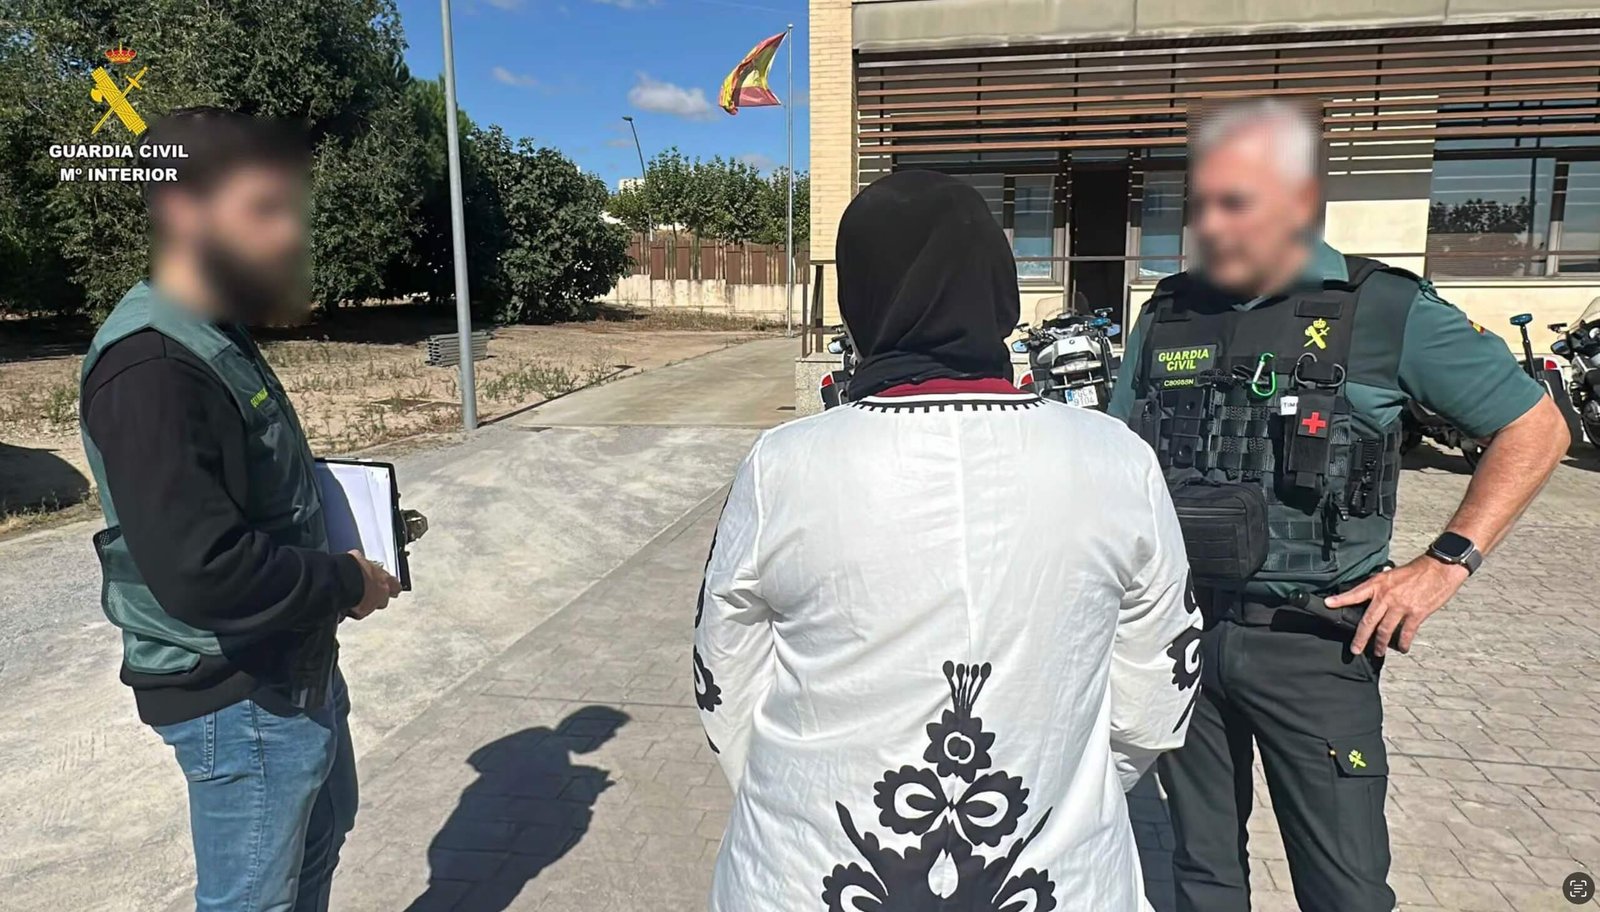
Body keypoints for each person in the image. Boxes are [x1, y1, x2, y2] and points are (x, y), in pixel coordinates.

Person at [694, 169, 1203, 912]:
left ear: (859, 303)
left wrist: (797, 792)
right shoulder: (1117, 460)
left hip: (808, 880)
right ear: (1000, 292)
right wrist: (1065, 776)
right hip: (1055, 882)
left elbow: (724, 678)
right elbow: (1159, 691)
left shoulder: (784, 466)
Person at [1107, 99, 1569, 912]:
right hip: (1181, 639)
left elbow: (1536, 428)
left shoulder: (1383, 309)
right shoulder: (1167, 313)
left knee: (1345, 890)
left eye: (1234, 202)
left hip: (1315, 645)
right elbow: (1118, 462)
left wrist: (1445, 563)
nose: (1207, 225)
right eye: (1198, 203)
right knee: (1201, 877)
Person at [78, 108, 401, 912]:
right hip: (236, 693)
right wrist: (343, 582)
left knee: (316, 850)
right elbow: (203, 569)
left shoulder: (212, 330)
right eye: (264, 209)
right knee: (253, 900)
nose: (290, 232)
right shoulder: (151, 364)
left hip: (288, 664)